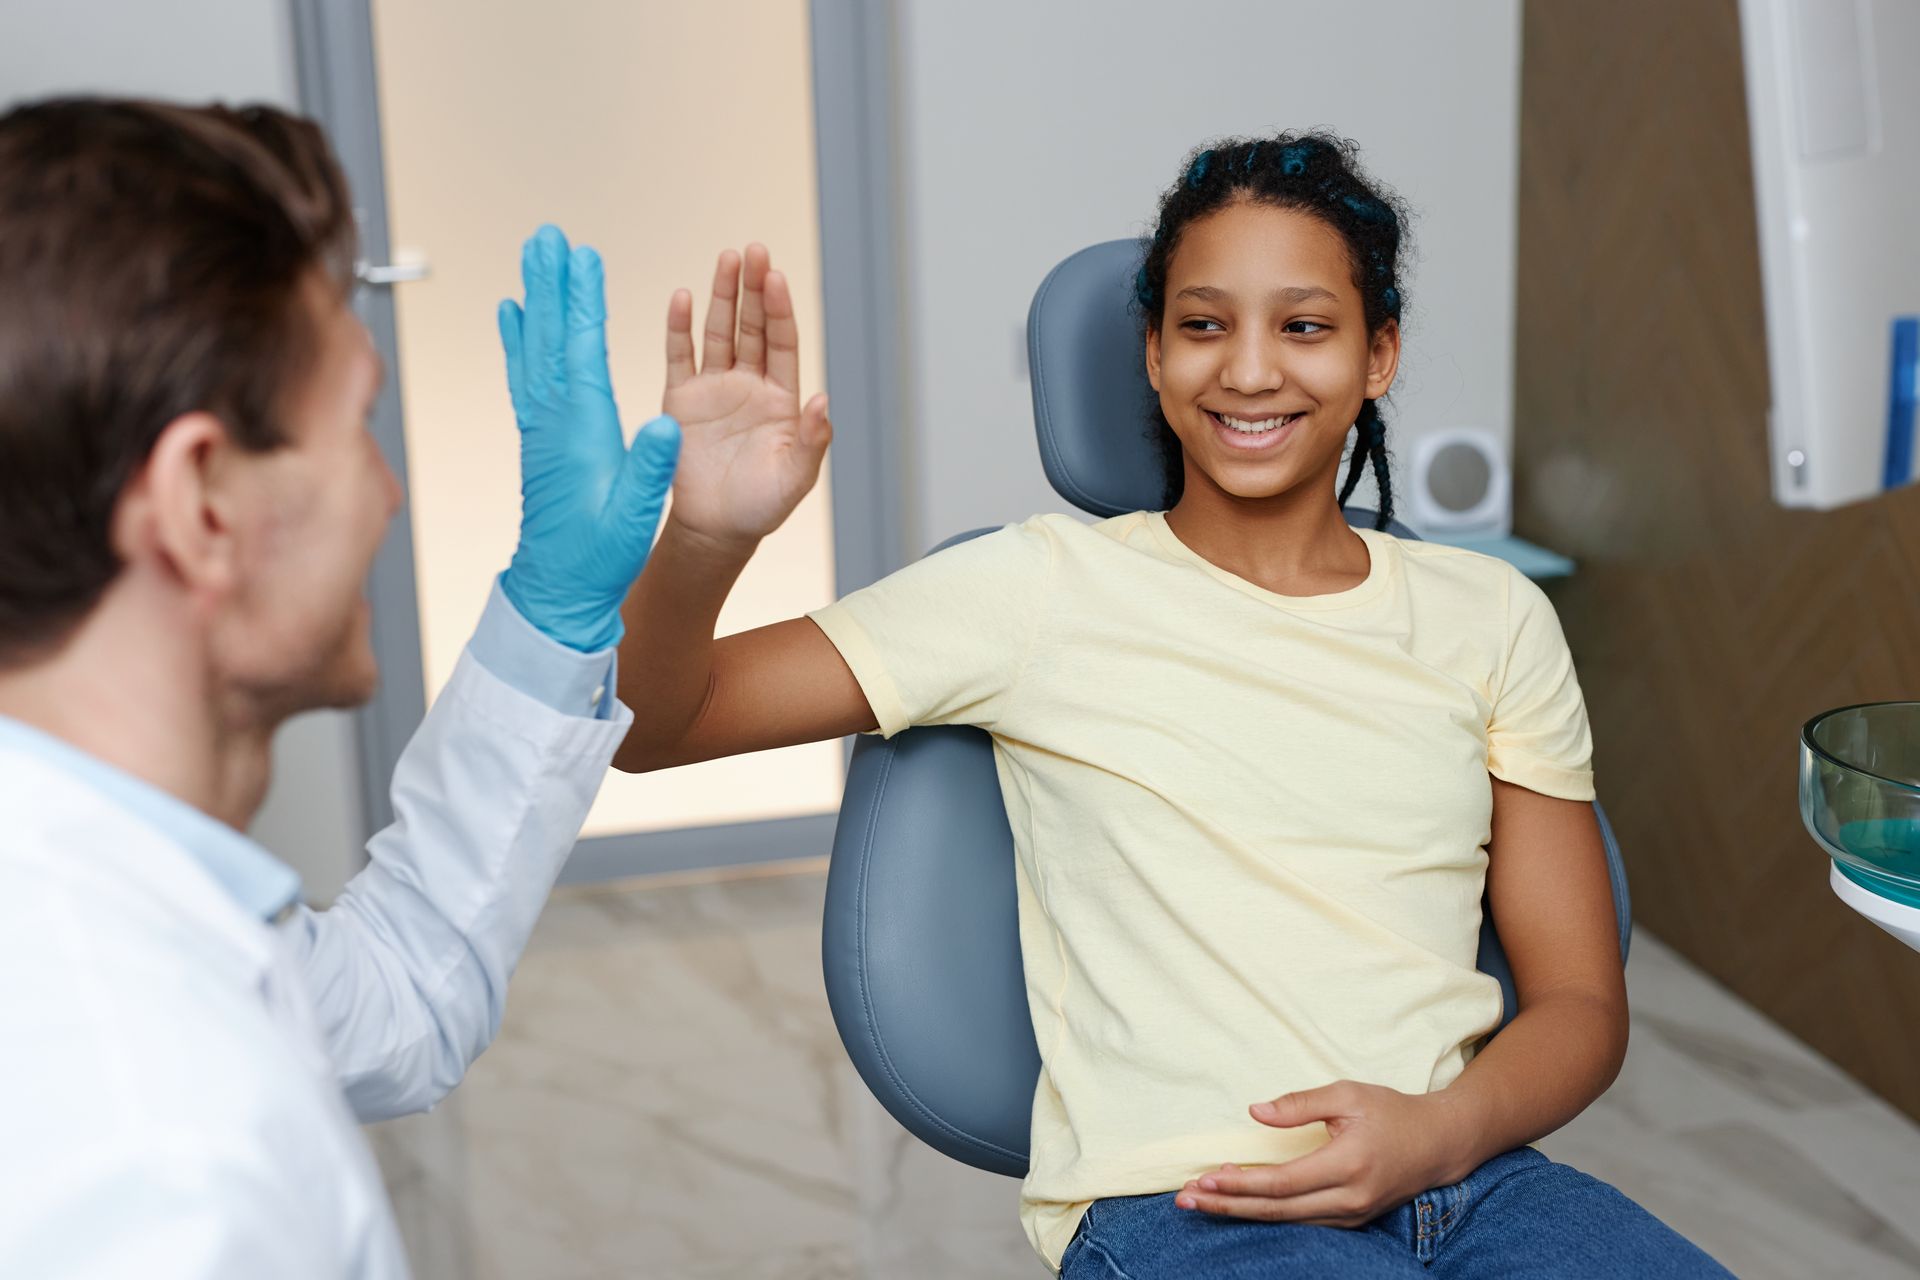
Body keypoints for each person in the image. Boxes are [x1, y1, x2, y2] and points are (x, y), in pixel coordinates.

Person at [608, 132, 1732, 1276]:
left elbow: (1583, 1000)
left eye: (1304, 325)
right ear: (1151, 354)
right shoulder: (1033, 587)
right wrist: (705, 534)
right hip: (1189, 1207)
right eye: (1203, 325)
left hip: (1475, 1183)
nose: (1249, 371)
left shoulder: (1489, 615)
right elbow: (653, 728)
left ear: (1378, 352)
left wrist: (1440, 1132)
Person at [0, 99, 678, 1277]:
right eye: (357, 426)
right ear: (200, 504)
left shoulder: (91, 876)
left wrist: (551, 614)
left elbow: (398, 998)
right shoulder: (157, 1175)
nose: (389, 492)